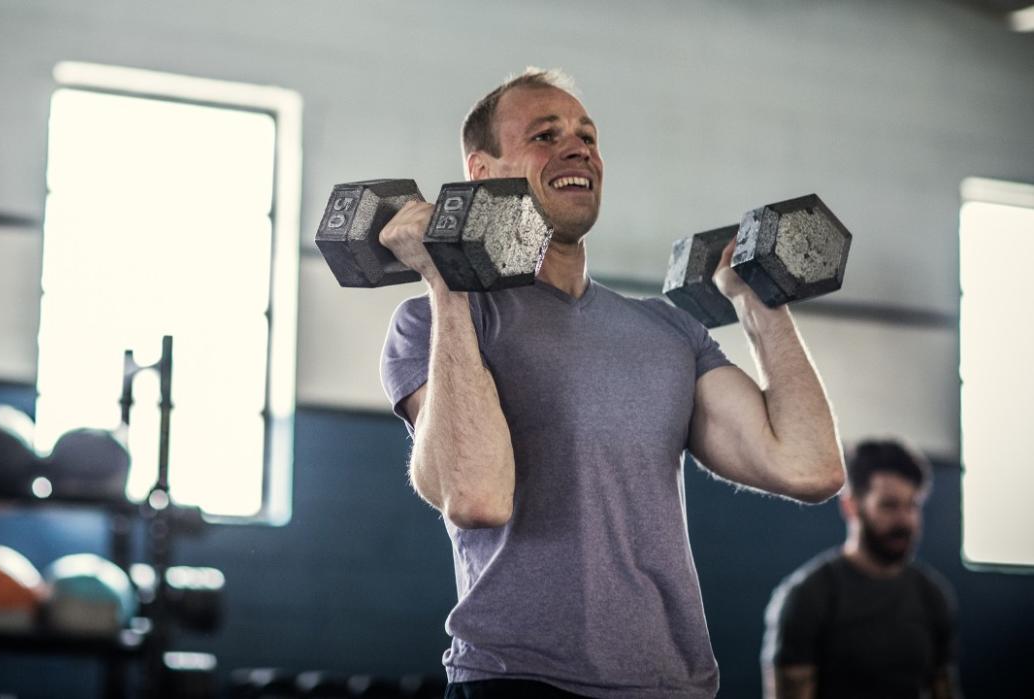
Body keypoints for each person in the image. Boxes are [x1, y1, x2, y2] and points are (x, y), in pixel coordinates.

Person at [379, 68, 845, 699]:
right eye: (545, 135)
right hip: (518, 681)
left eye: (587, 136)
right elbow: (477, 497)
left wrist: (759, 301)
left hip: (672, 685)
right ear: (481, 174)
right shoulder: (437, 324)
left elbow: (809, 467)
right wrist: (447, 278)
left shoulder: (669, 332)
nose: (578, 149)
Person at [761, 438, 961, 699]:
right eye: (889, 505)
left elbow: (944, 688)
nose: (905, 520)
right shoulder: (808, 596)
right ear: (851, 506)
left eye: (912, 506)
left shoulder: (932, 595)